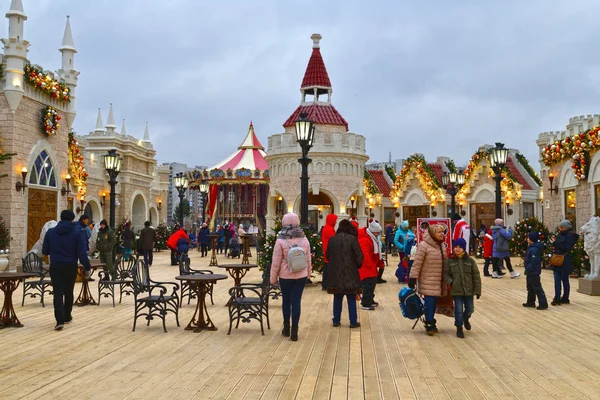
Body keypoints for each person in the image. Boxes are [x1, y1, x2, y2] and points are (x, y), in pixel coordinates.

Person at [42, 210, 91, 330]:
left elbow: (45, 251)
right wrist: (87, 266)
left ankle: (59, 320)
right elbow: (81, 253)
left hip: (56, 265)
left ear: (61, 218)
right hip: (70, 265)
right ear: (72, 219)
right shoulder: (77, 233)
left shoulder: (51, 232)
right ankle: (67, 316)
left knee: (58, 292)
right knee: (69, 291)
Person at [270, 213, 311, 341]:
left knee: (286, 301)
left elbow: (276, 262)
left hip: (285, 275)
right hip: (301, 275)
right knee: (296, 301)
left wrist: (273, 278)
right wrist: (308, 273)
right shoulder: (304, 239)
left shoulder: (281, 240)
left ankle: (286, 328)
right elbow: (308, 259)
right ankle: (295, 330)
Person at [409, 224, 447, 335]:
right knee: (430, 302)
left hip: (439, 280)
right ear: (432, 234)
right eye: (439, 232)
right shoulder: (424, 246)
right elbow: (417, 263)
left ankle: (431, 320)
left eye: (443, 232)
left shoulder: (441, 245)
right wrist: (413, 277)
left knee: (434, 303)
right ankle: (429, 322)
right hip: (428, 279)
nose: (442, 234)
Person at [326, 219, 363, 328]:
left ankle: (336, 320)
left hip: (335, 273)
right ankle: (353, 321)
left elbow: (327, 256)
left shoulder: (332, 240)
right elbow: (359, 256)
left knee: (337, 297)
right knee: (351, 297)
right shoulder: (353, 239)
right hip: (350, 273)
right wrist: (357, 265)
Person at [444, 238, 481, 338]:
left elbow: (476, 276)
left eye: (460, 247)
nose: (457, 249)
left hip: (469, 290)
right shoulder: (450, 261)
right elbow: (445, 274)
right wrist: (451, 282)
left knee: (470, 309)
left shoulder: (470, 261)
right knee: (458, 309)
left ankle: (466, 318)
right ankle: (459, 327)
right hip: (456, 290)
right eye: (456, 247)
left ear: (464, 248)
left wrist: (477, 290)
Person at [550, 219, 579, 305]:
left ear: (565, 228)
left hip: (564, 261)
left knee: (564, 280)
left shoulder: (570, 237)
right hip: (557, 260)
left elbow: (566, 248)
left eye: (561, 227)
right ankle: (557, 297)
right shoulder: (560, 235)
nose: (559, 228)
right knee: (556, 280)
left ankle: (565, 297)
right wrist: (554, 242)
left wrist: (555, 243)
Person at [357, 220, 383, 310]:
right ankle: (366, 303)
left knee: (372, 283)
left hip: (371, 265)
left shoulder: (371, 237)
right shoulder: (365, 239)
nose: (378, 234)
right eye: (377, 232)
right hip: (367, 266)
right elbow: (365, 254)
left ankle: (370, 300)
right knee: (369, 284)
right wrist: (370, 264)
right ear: (373, 231)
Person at [523, 231, 548, 310]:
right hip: (530, 271)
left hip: (533, 272)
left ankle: (543, 303)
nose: (527, 239)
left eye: (528, 238)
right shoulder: (531, 247)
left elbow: (534, 261)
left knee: (537, 287)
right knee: (530, 287)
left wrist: (528, 268)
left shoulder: (534, 249)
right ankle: (530, 302)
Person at [321, 213, 338, 291]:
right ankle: (327, 285)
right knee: (329, 269)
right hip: (330, 252)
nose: (335, 222)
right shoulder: (329, 229)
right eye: (335, 221)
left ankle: (325, 284)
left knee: (327, 268)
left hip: (327, 251)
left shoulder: (327, 228)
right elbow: (334, 240)